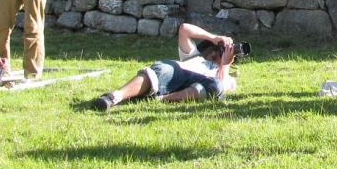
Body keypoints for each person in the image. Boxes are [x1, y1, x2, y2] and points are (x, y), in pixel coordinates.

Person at [93, 23, 238, 108]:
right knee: (166, 67)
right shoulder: (194, 57)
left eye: (224, 51)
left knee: (216, 86)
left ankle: (161, 98)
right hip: (178, 73)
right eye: (218, 49)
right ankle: (114, 97)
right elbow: (184, 29)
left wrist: (224, 64)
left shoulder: (227, 76)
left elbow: (221, 89)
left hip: (198, 85)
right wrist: (213, 38)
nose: (217, 52)